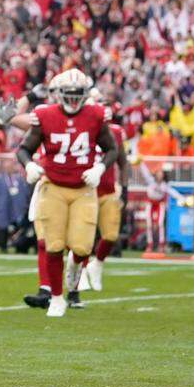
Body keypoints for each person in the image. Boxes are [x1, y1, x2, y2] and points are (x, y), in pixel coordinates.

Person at [16, 68, 118, 315]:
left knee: (82, 248)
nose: (73, 99)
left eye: (78, 93)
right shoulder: (45, 114)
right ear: (58, 93)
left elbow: (112, 149)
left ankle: (73, 270)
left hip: (83, 188)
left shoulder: (95, 114)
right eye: (68, 93)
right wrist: (29, 165)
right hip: (53, 186)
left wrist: (99, 168)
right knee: (53, 244)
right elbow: (24, 148)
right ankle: (56, 298)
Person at [78, 104, 130, 293]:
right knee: (84, 238)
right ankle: (81, 271)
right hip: (85, 191)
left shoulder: (116, 132)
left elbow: (123, 162)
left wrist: (125, 189)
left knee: (110, 235)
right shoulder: (82, 129)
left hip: (107, 191)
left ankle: (97, 264)